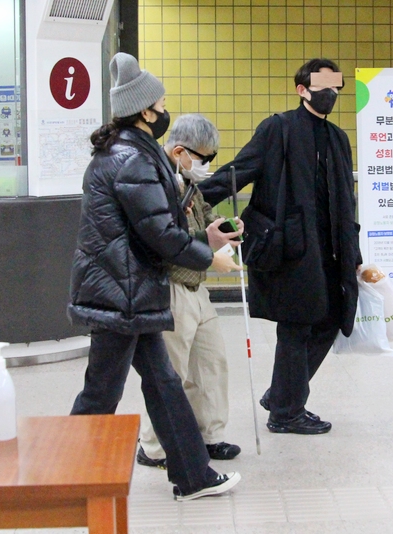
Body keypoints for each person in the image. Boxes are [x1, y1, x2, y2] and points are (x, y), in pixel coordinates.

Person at [68, 52, 242, 501]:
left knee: (162, 382)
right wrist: (209, 257)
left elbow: (150, 227)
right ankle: (66, 475)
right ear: (145, 111)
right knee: (101, 393)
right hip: (121, 291)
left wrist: (202, 237)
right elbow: (160, 233)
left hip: (130, 289)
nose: (165, 110)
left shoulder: (129, 151)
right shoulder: (132, 158)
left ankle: (192, 476)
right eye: (160, 103)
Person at [199, 58, 362, 435]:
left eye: (335, 87)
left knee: (334, 318)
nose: (330, 94)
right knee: (297, 325)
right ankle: (286, 412)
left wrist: (354, 254)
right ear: (301, 89)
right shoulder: (280, 128)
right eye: (322, 87)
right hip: (291, 247)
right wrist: (190, 196)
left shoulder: (337, 138)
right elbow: (240, 171)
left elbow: (346, 199)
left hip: (332, 250)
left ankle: (282, 394)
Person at [136, 114, 243, 468]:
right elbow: (163, 238)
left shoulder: (187, 182)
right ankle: (153, 446)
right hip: (171, 287)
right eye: (204, 158)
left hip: (197, 286)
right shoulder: (155, 182)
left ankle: (208, 434)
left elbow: (206, 216)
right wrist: (208, 248)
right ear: (180, 150)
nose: (206, 166)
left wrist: (224, 227)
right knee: (171, 372)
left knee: (210, 363)